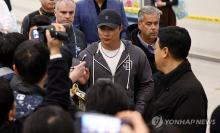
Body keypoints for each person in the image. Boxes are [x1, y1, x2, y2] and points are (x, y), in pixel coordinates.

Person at [77, 9, 154, 114]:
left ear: (120, 28)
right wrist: (83, 85)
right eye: (102, 29)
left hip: (126, 116)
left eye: (110, 29)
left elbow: (147, 84)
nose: (106, 33)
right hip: (96, 117)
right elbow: (76, 90)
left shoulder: (136, 54)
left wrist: (138, 111)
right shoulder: (86, 56)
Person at [144, 26, 207, 133]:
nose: (154, 52)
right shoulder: (157, 79)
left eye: (155, 48)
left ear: (165, 52)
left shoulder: (192, 94)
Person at [127, 6, 161, 74]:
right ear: (139, 24)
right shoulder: (128, 46)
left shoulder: (166, 42)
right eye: (149, 24)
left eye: (156, 23)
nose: (153, 27)